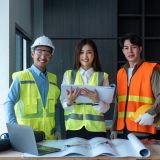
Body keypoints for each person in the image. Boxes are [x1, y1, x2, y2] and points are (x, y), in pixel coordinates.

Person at [5, 35, 60, 140]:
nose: (43, 57)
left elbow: (56, 107)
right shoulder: (21, 78)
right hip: (27, 138)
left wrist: (58, 129)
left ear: (51, 57)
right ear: (32, 54)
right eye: (39, 52)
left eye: (47, 53)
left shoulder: (53, 79)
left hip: (49, 138)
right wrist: (15, 130)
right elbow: (9, 102)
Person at [111, 33, 160, 139]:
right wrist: (114, 128)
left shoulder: (151, 70)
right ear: (123, 51)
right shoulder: (121, 73)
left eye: (133, 47)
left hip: (144, 129)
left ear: (140, 49)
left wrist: (151, 113)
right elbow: (118, 103)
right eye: (126, 48)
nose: (130, 51)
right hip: (123, 131)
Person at [60, 39, 110, 139]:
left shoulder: (103, 76)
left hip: (97, 129)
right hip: (73, 128)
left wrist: (97, 101)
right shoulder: (68, 75)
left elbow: (106, 108)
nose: (85, 56)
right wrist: (69, 101)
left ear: (94, 55)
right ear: (77, 55)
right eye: (81, 52)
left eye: (89, 52)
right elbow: (64, 104)